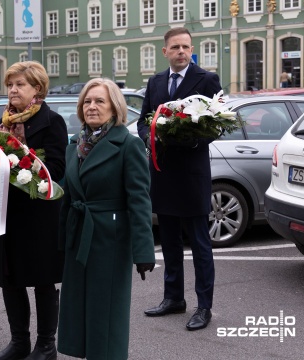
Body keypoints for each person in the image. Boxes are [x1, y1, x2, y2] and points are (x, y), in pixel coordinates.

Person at [57, 78, 155, 360]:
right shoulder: (75, 143)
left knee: (106, 312)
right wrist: (61, 242)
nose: (92, 106)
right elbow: (68, 196)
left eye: (100, 101)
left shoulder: (128, 145)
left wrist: (143, 251)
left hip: (110, 240)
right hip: (79, 237)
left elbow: (139, 200)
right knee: (80, 310)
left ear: (115, 107)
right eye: (87, 101)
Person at [137, 27, 221, 331]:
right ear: (165, 51)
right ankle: (173, 298)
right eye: (175, 47)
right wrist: (150, 138)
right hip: (162, 174)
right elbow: (143, 120)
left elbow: (215, 126)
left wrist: (187, 140)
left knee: (200, 244)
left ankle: (204, 306)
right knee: (169, 242)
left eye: (185, 46)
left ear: (191, 48)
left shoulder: (207, 79)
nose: (181, 52)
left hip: (192, 175)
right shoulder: (156, 81)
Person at [0, 61, 67, 360]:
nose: (13, 90)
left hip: (40, 216)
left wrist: (25, 162)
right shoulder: (3, 123)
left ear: (37, 88)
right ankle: (19, 341)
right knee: (10, 277)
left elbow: (58, 169)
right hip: (7, 212)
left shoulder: (52, 121)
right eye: (10, 84)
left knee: (43, 279)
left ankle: (46, 344)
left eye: (20, 84)